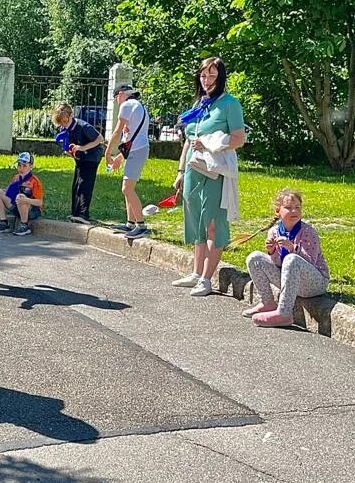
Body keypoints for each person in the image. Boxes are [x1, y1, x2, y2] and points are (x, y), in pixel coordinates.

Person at [170, 56, 247, 296]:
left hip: (215, 170)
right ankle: (196, 273)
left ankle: (207, 278)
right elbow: (189, 142)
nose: (207, 80)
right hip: (194, 167)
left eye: (212, 75)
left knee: (213, 223)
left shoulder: (229, 104)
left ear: (221, 77)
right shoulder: (199, 105)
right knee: (196, 222)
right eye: (204, 75)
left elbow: (238, 139)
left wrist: (213, 143)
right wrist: (181, 171)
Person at [243, 189, 329, 327]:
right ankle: (268, 303)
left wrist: (292, 248)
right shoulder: (274, 231)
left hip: (314, 284)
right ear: (278, 211)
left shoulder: (308, 232)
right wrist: (272, 252)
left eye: (297, 208)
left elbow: (309, 263)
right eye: (288, 208)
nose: (294, 211)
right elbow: (279, 264)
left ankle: (284, 313)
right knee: (254, 258)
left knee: (291, 259)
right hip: (290, 281)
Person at [104, 84, 152, 239]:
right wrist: (119, 157)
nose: (116, 100)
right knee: (127, 186)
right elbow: (131, 137)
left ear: (122, 94)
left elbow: (117, 131)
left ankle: (141, 225)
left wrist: (108, 153)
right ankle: (130, 223)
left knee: (127, 189)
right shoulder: (138, 107)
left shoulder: (127, 105)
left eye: (116, 96)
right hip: (136, 149)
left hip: (136, 151)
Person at [52, 103, 103, 224]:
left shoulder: (83, 126)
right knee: (76, 185)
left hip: (92, 156)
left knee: (85, 184)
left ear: (71, 115)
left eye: (65, 121)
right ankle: (75, 212)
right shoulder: (65, 129)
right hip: (80, 158)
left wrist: (82, 147)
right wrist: (71, 152)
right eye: (61, 122)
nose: (64, 124)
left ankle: (83, 214)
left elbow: (100, 138)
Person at [0, 152, 44, 236]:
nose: (21, 168)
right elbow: (7, 192)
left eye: (24, 166)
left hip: (32, 211)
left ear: (31, 166)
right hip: (17, 207)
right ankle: (4, 222)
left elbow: (40, 202)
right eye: (19, 165)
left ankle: (24, 225)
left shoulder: (34, 181)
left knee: (20, 196)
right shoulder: (16, 178)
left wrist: (26, 200)